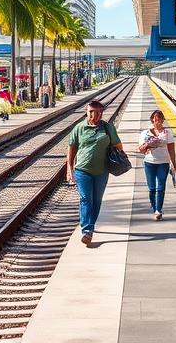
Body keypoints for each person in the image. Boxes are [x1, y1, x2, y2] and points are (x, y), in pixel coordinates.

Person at [65, 99, 123, 245]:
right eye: (91, 112)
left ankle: (90, 224)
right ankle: (87, 230)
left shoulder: (108, 128)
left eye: (97, 112)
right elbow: (71, 148)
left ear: (101, 113)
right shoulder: (79, 128)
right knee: (85, 199)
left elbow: (118, 145)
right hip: (82, 170)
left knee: (96, 201)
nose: (94, 115)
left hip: (102, 171)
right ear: (86, 112)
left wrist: (115, 153)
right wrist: (69, 168)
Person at [138, 109, 176, 220]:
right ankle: (154, 206)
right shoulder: (145, 133)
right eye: (155, 120)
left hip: (163, 163)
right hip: (149, 163)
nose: (157, 122)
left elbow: (172, 150)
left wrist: (173, 165)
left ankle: (158, 210)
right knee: (152, 189)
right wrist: (147, 144)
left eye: (159, 120)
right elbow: (140, 149)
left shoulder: (167, 133)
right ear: (152, 121)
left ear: (163, 121)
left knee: (160, 187)